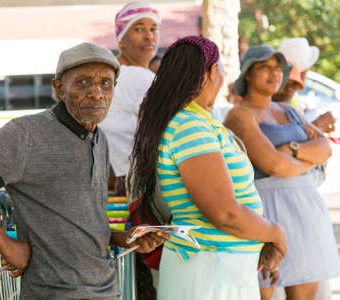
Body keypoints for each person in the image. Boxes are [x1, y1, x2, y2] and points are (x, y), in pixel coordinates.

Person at [0, 42, 168, 299]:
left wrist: (125, 238)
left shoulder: (99, 138)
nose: (97, 93)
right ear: (59, 89)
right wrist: (7, 245)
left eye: (106, 84)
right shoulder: (28, 134)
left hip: (107, 290)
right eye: (83, 83)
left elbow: (85, 222)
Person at [129, 35, 288, 300]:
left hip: (219, 268)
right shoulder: (190, 126)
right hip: (208, 270)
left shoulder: (200, 122)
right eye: (222, 68)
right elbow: (224, 213)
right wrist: (276, 233)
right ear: (212, 72)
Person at [225, 44, 340, 300]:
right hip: (266, 210)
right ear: (247, 74)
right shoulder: (240, 115)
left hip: (306, 211)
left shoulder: (289, 111)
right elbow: (272, 165)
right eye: (265, 67)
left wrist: (291, 148)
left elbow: (324, 148)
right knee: (263, 291)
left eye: (279, 68)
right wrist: (305, 160)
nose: (275, 73)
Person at [100, 1, 160, 197]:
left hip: (114, 177)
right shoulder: (137, 76)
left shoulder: (110, 71)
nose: (149, 36)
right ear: (121, 38)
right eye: (139, 28)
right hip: (136, 180)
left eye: (153, 29)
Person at [278, 37, 336, 133]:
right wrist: (317, 126)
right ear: (303, 70)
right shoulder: (281, 95)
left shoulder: (291, 94)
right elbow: (287, 140)